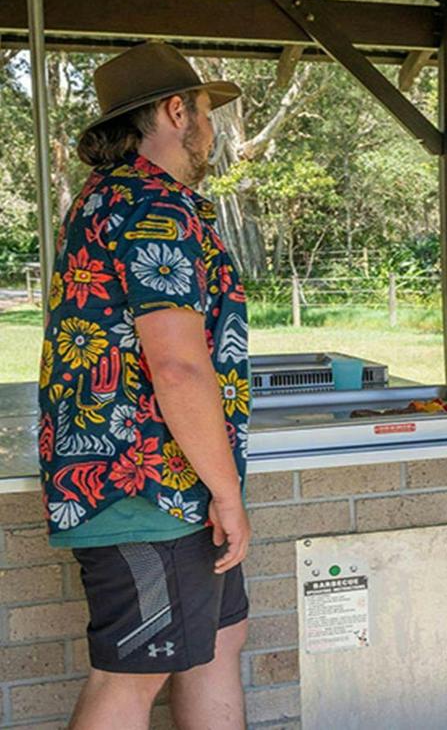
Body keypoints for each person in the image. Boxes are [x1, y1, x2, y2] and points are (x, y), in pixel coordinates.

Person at [38, 42, 252, 730]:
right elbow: (178, 365)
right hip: (144, 483)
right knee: (131, 676)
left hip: (170, 484)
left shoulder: (109, 200)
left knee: (220, 643)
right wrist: (226, 492)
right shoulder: (152, 207)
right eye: (207, 114)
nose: (212, 132)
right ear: (174, 110)